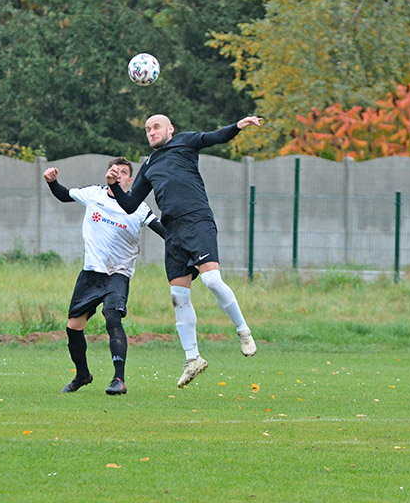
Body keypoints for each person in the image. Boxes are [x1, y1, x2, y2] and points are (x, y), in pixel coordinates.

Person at [106, 114, 262, 388]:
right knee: (178, 296)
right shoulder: (150, 164)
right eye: (147, 129)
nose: (151, 132)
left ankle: (243, 331)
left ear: (170, 129)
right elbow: (130, 205)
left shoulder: (184, 142)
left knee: (212, 280)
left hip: (197, 220)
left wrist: (237, 126)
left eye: (156, 127)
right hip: (173, 232)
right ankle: (193, 359)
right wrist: (113, 187)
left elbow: (215, 137)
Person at [44, 157, 165, 395]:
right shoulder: (93, 194)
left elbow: (163, 232)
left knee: (112, 318)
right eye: (114, 170)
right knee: (73, 328)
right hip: (91, 273)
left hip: (118, 274)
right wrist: (52, 182)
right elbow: (63, 194)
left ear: (130, 181)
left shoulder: (138, 207)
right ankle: (82, 375)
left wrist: (185, 247)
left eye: (123, 172)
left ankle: (118, 379)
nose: (117, 174)